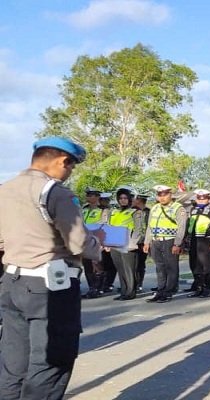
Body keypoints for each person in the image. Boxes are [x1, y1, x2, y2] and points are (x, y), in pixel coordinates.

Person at [0, 136, 104, 399]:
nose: (69, 173)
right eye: (70, 167)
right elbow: (78, 243)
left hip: (13, 282)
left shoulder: (6, 189)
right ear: (62, 161)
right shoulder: (55, 192)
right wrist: (98, 243)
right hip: (49, 287)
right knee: (50, 363)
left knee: (13, 364)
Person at [143, 184, 188, 303]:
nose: (162, 197)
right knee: (159, 267)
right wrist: (147, 242)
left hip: (170, 241)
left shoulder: (178, 208)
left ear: (170, 195)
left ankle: (169, 291)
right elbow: (150, 226)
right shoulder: (155, 208)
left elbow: (181, 227)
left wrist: (177, 244)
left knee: (171, 267)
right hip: (156, 241)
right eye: (159, 195)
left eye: (165, 194)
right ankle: (160, 290)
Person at [107, 187, 144, 300]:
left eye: (125, 198)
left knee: (129, 269)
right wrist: (107, 243)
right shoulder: (113, 212)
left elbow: (138, 229)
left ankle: (130, 292)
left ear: (129, 199)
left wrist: (133, 243)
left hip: (128, 242)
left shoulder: (135, 212)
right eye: (120, 198)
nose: (123, 200)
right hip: (115, 243)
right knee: (120, 268)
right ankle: (124, 291)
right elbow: (109, 227)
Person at [186, 189, 210, 298]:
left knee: (208, 266)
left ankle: (208, 288)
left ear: (208, 198)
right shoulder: (192, 209)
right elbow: (189, 225)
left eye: (204, 198)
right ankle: (199, 287)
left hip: (208, 240)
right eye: (199, 198)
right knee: (195, 265)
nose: (201, 200)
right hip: (194, 240)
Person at [81, 187, 104, 298]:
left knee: (97, 265)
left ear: (97, 197)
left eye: (91, 195)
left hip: (97, 240)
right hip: (85, 240)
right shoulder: (84, 209)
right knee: (87, 265)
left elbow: (104, 226)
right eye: (88, 195)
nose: (88, 197)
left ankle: (98, 287)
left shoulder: (103, 210)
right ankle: (91, 287)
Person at [133, 194, 150, 291]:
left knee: (140, 263)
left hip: (144, 241)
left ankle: (139, 283)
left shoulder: (148, 212)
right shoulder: (133, 211)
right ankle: (133, 283)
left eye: (135, 199)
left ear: (139, 200)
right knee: (133, 264)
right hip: (135, 240)